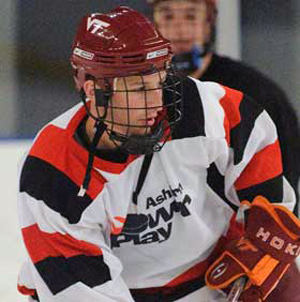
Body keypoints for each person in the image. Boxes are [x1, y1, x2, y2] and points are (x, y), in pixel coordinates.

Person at [17, 6, 300, 302]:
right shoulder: (51, 173)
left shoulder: (193, 108)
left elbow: (251, 131)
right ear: (95, 91)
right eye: (140, 89)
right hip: (114, 291)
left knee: (283, 284)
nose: (157, 102)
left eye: (160, 82)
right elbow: (80, 291)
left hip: (202, 278)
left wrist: (266, 216)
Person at [148, 0, 300, 216]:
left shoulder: (257, 94)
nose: (179, 29)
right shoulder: (138, 96)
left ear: (210, 21)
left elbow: (282, 192)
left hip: (235, 238)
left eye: (191, 16)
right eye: (168, 16)